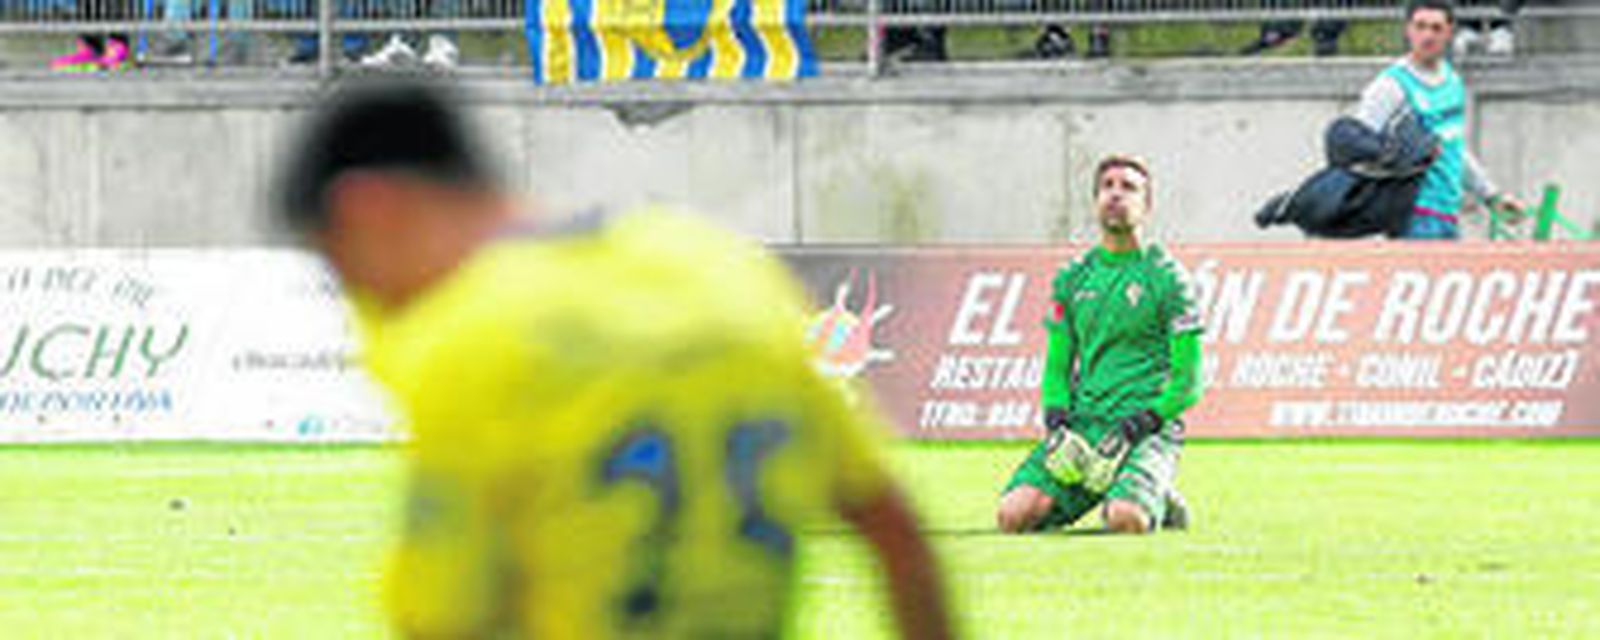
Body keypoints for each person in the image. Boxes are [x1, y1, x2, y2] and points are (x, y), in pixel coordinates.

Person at [275, 76, 953, 639]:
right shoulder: (721, 271)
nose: (368, 304)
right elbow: (895, 534)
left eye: (345, 272)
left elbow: (443, 623)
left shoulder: (467, 341)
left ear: (368, 209)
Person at [996, 155, 1202, 536]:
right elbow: (1058, 367)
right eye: (1107, 186)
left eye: (1129, 188)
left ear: (1147, 205)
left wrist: (1138, 424)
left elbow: (1189, 382)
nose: (1116, 194)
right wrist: (1056, 422)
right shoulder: (1073, 278)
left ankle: (1152, 498)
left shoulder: (1169, 279)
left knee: (1125, 520)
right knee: (1013, 516)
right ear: (1095, 201)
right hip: (1084, 427)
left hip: (1144, 431)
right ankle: (1130, 490)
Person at [1353, 0, 1524, 240]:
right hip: (1412, 215)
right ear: (1408, 30)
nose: (1427, 36)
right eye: (1420, 26)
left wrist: (1491, 195)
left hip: (1447, 215)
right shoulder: (1389, 86)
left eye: (1436, 28)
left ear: (1449, 32)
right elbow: (1355, 150)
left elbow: (1454, 148)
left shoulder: (1453, 82)